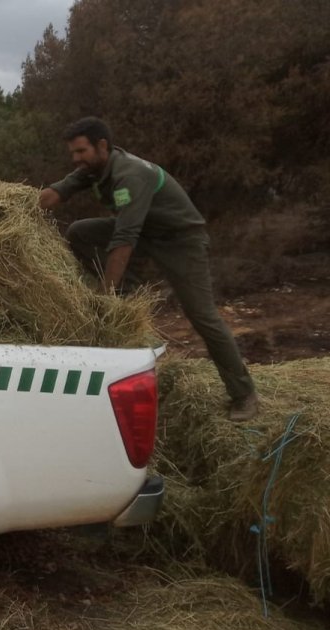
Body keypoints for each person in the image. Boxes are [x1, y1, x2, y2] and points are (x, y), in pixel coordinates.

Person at [38, 117, 258, 421]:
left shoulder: (130, 175)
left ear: (102, 146)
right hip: (145, 233)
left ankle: (244, 393)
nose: (76, 158)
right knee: (79, 232)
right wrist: (10, 209)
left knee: (202, 316)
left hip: (180, 241)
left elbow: (124, 239)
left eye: (81, 151)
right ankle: (129, 294)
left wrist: (106, 298)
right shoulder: (94, 169)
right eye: (73, 153)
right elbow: (53, 195)